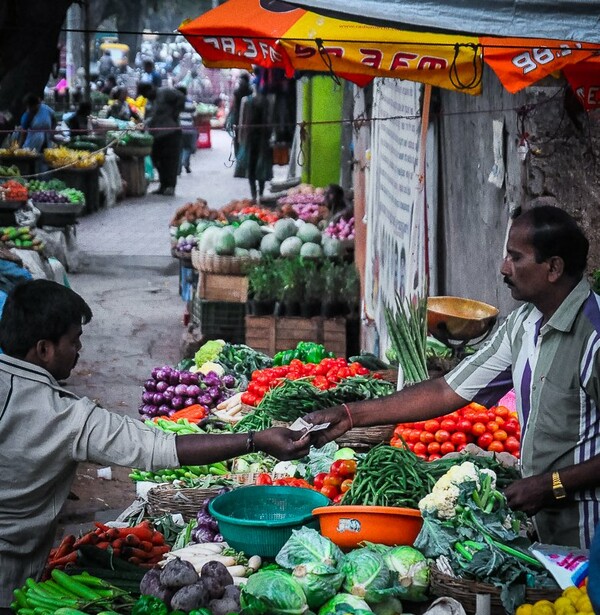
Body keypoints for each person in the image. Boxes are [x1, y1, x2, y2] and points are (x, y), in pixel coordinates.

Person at [0, 279, 310, 607]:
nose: (79, 352)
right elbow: (160, 448)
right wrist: (255, 440)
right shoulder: (65, 416)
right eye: (74, 342)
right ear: (44, 348)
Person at [305, 205, 600, 550]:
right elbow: (447, 389)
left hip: (590, 528)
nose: (504, 268)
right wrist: (350, 414)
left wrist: (551, 485)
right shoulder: (523, 324)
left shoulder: (594, 338)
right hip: (548, 531)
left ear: (553, 268)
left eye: (516, 258)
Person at [235, 85, 273, 202]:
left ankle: (255, 194)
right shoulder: (265, 100)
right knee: (258, 166)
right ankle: (258, 193)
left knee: (254, 167)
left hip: (253, 138)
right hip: (260, 138)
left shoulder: (247, 101)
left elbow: (242, 121)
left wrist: (240, 138)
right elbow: (269, 120)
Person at [145, 87, 185, 196]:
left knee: (170, 161)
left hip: (171, 133)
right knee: (157, 159)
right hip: (158, 135)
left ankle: (170, 186)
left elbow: (181, 97)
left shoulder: (164, 92)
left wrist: (175, 113)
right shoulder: (150, 102)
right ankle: (163, 186)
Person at [226, 72, 252, 156]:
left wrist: (228, 117)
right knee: (246, 138)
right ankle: (244, 156)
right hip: (248, 118)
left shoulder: (237, 91)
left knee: (237, 138)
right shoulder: (250, 91)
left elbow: (233, 105)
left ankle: (238, 156)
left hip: (238, 118)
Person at [176, 85, 198, 175]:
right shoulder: (190, 102)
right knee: (188, 147)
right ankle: (186, 163)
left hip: (178, 128)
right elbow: (195, 116)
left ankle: (179, 168)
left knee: (179, 148)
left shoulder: (174, 103)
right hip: (189, 128)